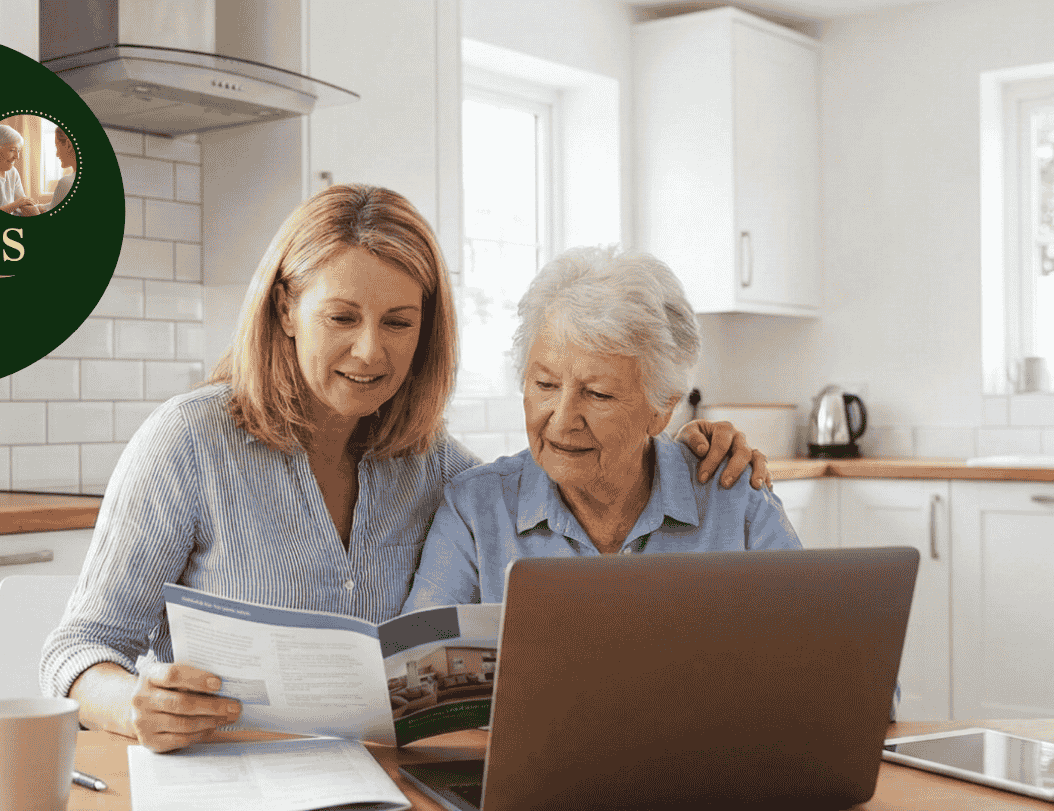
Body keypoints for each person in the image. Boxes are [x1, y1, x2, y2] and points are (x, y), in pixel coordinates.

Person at [39, 187, 770, 753]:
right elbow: (77, 650)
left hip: (380, 783)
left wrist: (680, 442)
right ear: (288, 308)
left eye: (397, 321)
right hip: (232, 778)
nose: (369, 351)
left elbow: (552, 480)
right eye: (341, 317)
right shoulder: (189, 442)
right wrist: (132, 703)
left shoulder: (432, 464)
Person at [404, 245, 801, 610]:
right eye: (545, 385)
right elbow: (418, 665)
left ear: (661, 410)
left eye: (597, 394)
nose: (561, 420)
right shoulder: (475, 510)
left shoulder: (735, 500)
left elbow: (809, 646)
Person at [39, 125, 75, 213]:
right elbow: (54, 204)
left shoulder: (66, 183)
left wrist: (32, 212)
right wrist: (38, 207)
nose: (57, 154)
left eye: (57, 146)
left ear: (68, 145)